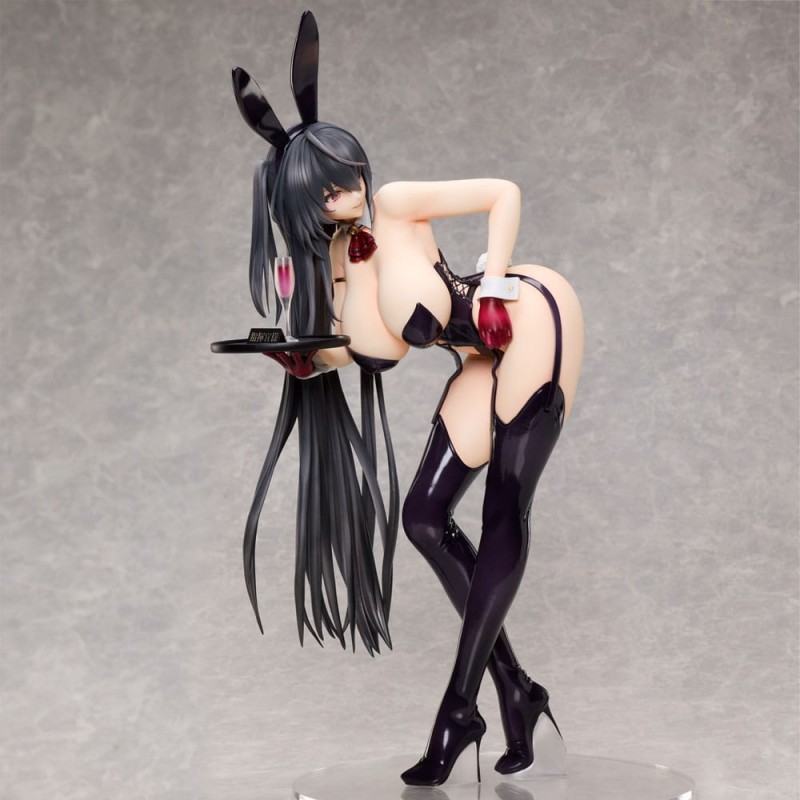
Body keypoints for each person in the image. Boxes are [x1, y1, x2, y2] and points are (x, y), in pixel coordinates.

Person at [232, 12, 584, 786]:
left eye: (349, 171)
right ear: (301, 202)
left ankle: (460, 710)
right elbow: (374, 349)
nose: (351, 189)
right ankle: (517, 693)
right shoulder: (341, 259)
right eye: (330, 187)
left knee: (503, 511)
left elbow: (503, 193)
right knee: (423, 518)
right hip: (479, 361)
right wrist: (303, 360)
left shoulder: (393, 206)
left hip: (529, 320)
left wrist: (496, 281)